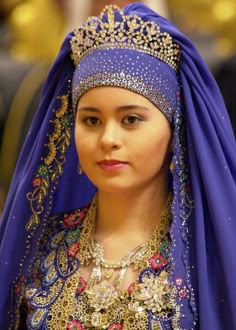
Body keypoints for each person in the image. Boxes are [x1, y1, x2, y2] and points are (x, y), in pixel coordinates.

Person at [0, 3, 235, 329]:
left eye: (131, 119)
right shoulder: (39, 246)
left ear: (173, 130)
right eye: (91, 120)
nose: (108, 138)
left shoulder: (209, 254)